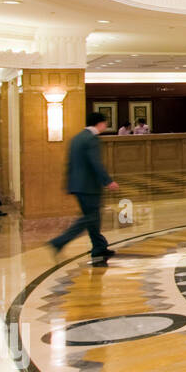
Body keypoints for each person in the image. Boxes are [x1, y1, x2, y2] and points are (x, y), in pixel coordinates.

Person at [48, 112, 119, 266]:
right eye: (105, 123)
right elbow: (95, 163)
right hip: (89, 186)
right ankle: (59, 241)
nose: (105, 126)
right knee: (90, 217)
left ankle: (99, 248)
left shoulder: (77, 138)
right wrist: (108, 181)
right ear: (100, 123)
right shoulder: (91, 139)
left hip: (78, 185)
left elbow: (71, 163)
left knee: (93, 217)